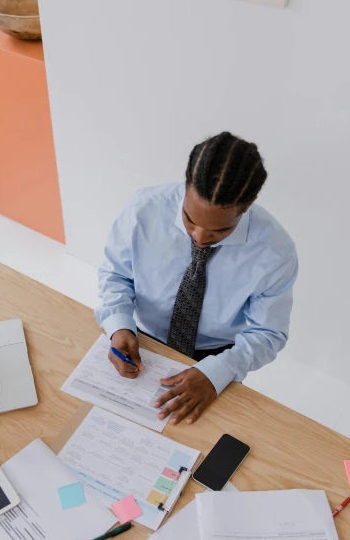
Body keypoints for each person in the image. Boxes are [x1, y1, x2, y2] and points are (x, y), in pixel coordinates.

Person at [95, 131, 298, 426]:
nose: (200, 237)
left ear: (249, 204)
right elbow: (116, 274)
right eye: (190, 220)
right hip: (144, 338)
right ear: (186, 185)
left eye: (219, 231)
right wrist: (118, 324)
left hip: (218, 356)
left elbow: (267, 333)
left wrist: (215, 372)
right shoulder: (144, 210)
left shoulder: (275, 253)